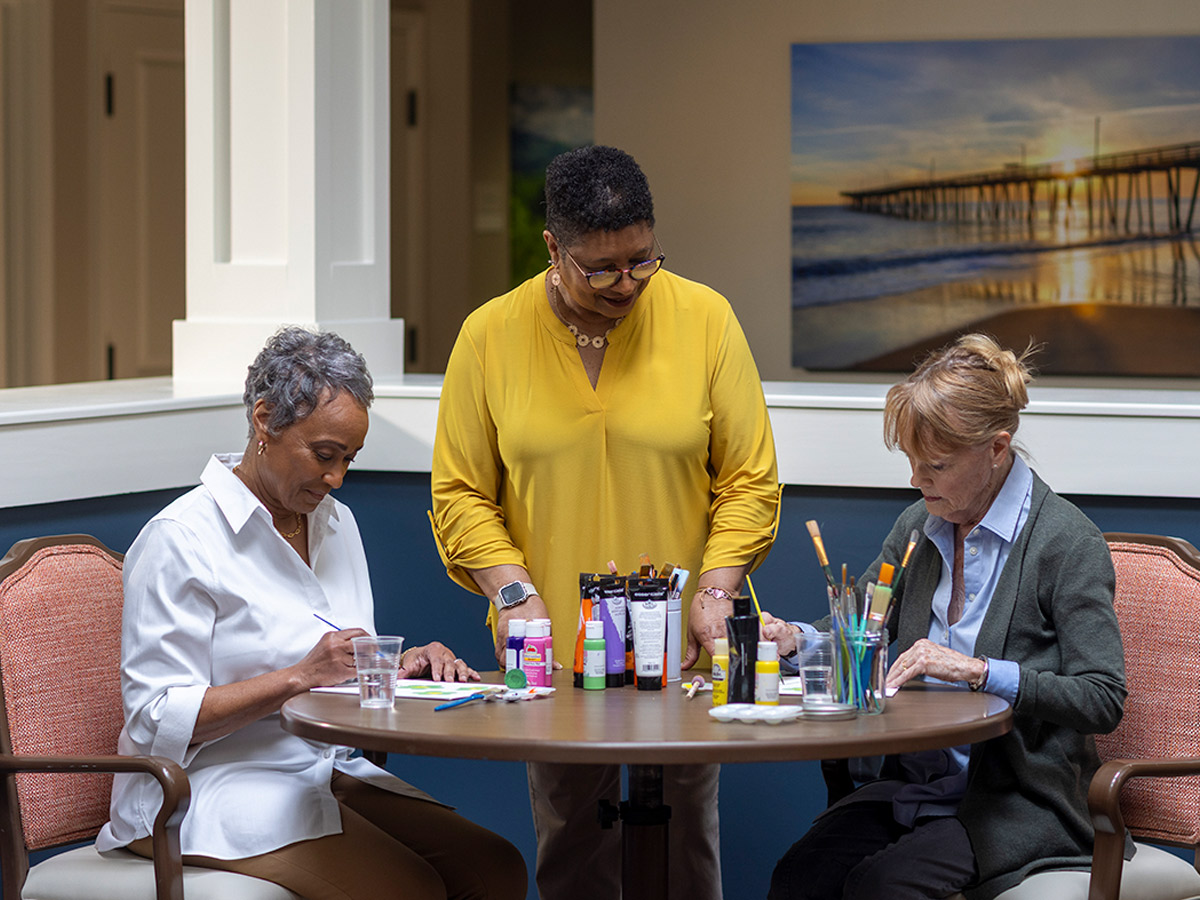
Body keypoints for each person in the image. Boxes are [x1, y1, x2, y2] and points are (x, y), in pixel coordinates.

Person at [430, 145, 780, 900]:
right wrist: (514, 595)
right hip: (553, 654)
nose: (627, 283)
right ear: (553, 248)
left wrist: (718, 590)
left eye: (642, 261)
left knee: (687, 842)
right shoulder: (488, 336)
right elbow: (459, 494)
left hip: (687, 647)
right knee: (570, 847)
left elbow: (750, 482)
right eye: (601, 268)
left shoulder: (707, 318)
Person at [98, 327, 526, 900]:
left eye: (349, 459)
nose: (337, 478)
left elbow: (344, 666)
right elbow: (155, 718)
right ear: (264, 419)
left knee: (495, 868)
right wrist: (299, 676)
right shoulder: (180, 540)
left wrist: (405, 665)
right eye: (324, 455)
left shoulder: (335, 523)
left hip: (323, 772)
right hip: (208, 789)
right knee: (409, 890)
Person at [764, 334, 1126, 900]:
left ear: (997, 449)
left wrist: (980, 671)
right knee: (799, 877)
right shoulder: (918, 527)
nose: (916, 479)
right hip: (914, 785)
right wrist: (794, 638)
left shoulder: (1066, 542)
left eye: (934, 464)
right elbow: (861, 625)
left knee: (882, 887)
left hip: (1015, 797)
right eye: (910, 461)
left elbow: (1102, 698)